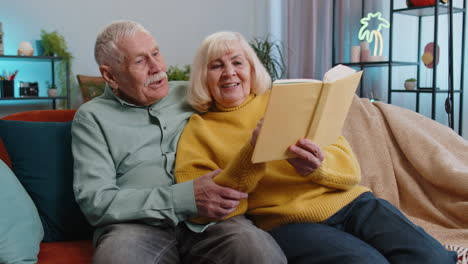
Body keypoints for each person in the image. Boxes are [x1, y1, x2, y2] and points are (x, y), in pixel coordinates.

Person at [175, 31, 458, 264]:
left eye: (237, 62)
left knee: (433, 258)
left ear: (251, 68)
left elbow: (350, 171)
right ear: (203, 76)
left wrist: (317, 167)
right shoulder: (198, 129)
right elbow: (206, 209)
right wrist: (253, 152)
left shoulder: (285, 100)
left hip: (354, 204)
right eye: (216, 66)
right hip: (288, 224)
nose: (229, 73)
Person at [71, 21, 287, 264]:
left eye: (156, 54)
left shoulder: (193, 92)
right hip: (135, 228)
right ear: (110, 75)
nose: (157, 68)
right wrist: (185, 198)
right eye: (140, 61)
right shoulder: (91, 118)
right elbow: (96, 202)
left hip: (212, 223)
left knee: (256, 249)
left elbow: (247, 98)